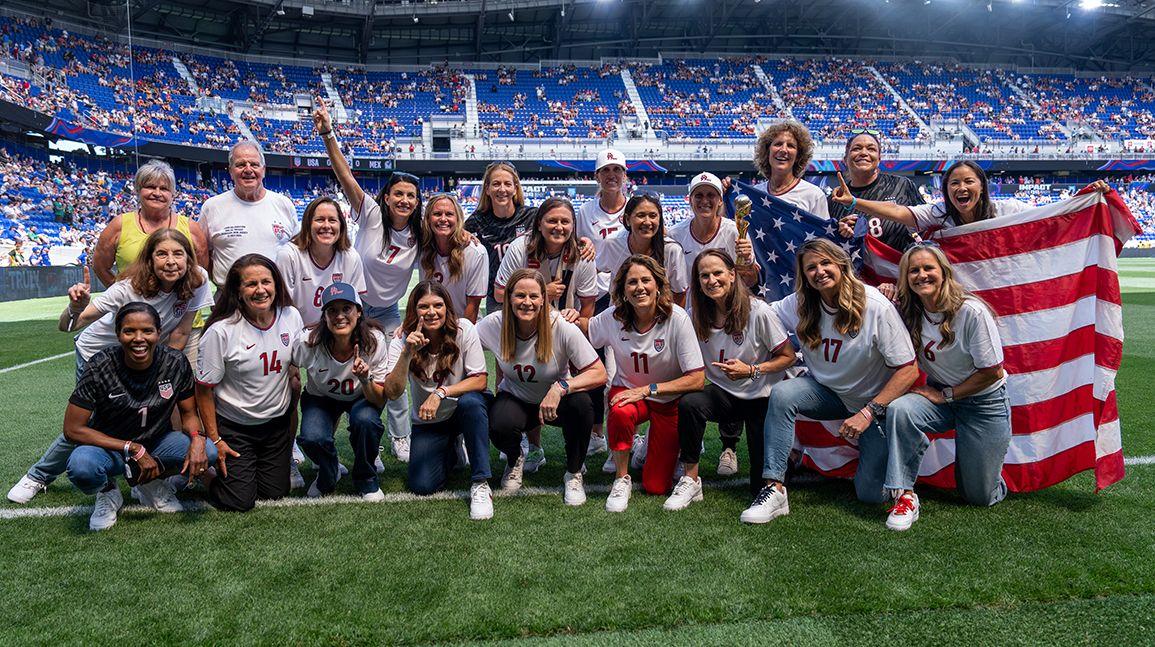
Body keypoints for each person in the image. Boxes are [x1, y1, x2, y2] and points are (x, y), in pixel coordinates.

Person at [7, 229, 211, 504]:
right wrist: (75, 308)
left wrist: (163, 369)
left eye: (178, 254)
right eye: (161, 254)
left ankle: (145, 480)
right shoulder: (129, 289)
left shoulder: (198, 280)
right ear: (150, 260)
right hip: (98, 355)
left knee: (152, 416)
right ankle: (39, 476)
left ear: (189, 258)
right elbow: (70, 325)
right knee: (91, 423)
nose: (171, 261)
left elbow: (181, 333)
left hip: (144, 357)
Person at [740, 239, 919, 525]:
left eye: (825, 263)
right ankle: (774, 487)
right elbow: (760, 313)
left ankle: (898, 470)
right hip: (827, 394)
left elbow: (908, 370)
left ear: (841, 264)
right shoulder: (801, 302)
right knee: (784, 393)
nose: (819, 271)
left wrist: (868, 412)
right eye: (811, 267)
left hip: (872, 404)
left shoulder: (874, 304)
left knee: (870, 494)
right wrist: (743, 274)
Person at [315, 103, 423, 462]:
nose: (404, 200)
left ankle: (401, 436)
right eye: (399, 193)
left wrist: (465, 237)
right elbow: (345, 176)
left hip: (390, 312)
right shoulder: (372, 214)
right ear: (387, 196)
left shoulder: (419, 233)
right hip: (356, 308)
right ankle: (368, 439)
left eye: (411, 195)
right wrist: (329, 133)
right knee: (352, 371)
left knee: (393, 373)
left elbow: (448, 235)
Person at [882, 243, 1012, 531]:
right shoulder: (909, 311)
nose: (922, 275)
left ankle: (985, 469)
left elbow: (993, 371)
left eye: (929, 268)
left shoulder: (971, 311)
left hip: (983, 402)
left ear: (944, 273)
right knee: (901, 410)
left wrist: (946, 395)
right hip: (940, 395)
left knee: (977, 496)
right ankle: (904, 495)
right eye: (913, 271)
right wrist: (885, 292)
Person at [62, 302, 218, 531]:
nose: (139, 338)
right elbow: (72, 429)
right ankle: (108, 491)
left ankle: (149, 483)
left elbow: (188, 413)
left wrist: (196, 438)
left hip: (157, 441)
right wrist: (132, 448)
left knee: (209, 451)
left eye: (147, 331)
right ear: (118, 334)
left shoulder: (174, 362)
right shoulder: (100, 366)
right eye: (129, 331)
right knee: (81, 467)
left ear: (158, 332)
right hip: (111, 447)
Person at [666, 250, 795, 510]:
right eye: (704, 276)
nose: (711, 280)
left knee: (760, 486)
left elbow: (788, 356)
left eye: (717, 273)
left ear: (732, 275)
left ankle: (788, 460)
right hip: (724, 394)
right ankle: (691, 479)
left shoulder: (758, 310)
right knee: (691, 403)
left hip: (762, 396)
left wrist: (752, 370)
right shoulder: (694, 315)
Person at [584, 255, 704, 512]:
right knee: (619, 409)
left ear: (658, 285)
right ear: (623, 290)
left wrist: (648, 390)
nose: (640, 287)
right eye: (632, 282)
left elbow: (696, 378)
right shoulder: (613, 317)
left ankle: (646, 446)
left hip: (667, 399)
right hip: (627, 392)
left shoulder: (677, 318)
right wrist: (566, 315)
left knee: (656, 486)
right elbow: (587, 330)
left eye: (646, 280)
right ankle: (621, 477)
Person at [477, 269, 607, 505]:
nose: (527, 302)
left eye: (534, 296)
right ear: (508, 298)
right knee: (498, 422)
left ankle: (574, 472)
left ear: (543, 300)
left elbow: (599, 373)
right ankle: (516, 458)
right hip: (517, 399)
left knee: (582, 405)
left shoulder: (561, 326)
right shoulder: (493, 324)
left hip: (556, 402)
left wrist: (560, 388)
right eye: (520, 296)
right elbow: (459, 337)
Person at [196, 254, 304, 512]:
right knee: (239, 501)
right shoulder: (221, 331)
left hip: (274, 426)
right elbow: (203, 390)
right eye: (251, 284)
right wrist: (216, 439)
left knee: (275, 493)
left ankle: (257, 466)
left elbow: (296, 367)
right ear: (237, 291)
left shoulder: (290, 316)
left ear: (276, 285)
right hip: (235, 427)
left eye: (266, 282)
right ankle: (203, 474)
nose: (260, 290)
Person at [668, 172, 759, 478]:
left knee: (728, 372)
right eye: (699, 196)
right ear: (689, 200)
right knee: (686, 377)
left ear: (721, 201)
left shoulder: (737, 232)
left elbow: (752, 280)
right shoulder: (676, 233)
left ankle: (729, 447)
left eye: (712, 196)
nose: (705, 201)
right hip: (691, 317)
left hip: (730, 314)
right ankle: (683, 442)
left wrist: (747, 264)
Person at [382, 281, 494, 520]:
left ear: (447, 307)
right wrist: (406, 354)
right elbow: (392, 391)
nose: (431, 312)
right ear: (413, 310)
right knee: (422, 485)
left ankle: (480, 482)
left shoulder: (464, 329)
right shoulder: (402, 340)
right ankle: (451, 449)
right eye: (423, 306)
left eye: (438, 305)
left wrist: (440, 392)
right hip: (430, 421)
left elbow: (480, 380)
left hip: (463, 410)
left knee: (472, 403)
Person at [292, 283, 390, 501]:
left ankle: (366, 478)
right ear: (324, 316)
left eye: (346, 308)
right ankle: (330, 471)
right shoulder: (309, 341)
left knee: (366, 421)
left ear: (359, 311)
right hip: (321, 397)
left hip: (361, 396)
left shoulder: (374, 341)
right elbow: (291, 363)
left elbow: (379, 397)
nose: (339, 316)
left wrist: (365, 379)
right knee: (311, 438)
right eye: (332, 310)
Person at [831, 161, 1110, 237]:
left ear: (982, 186)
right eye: (954, 183)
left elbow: (1049, 217)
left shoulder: (1008, 209)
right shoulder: (940, 213)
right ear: (946, 189)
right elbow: (901, 212)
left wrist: (1082, 199)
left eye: (968, 181)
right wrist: (854, 202)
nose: (961, 188)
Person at [574, 148, 630, 461]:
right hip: (594, 296)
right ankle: (597, 431)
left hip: (628, 296)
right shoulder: (585, 212)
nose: (611, 176)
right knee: (593, 363)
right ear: (597, 177)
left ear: (625, 175)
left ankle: (630, 431)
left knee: (627, 363)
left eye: (617, 170)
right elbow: (578, 247)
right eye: (605, 171)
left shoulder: (634, 209)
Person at [90, 160, 209, 287]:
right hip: (133, 306)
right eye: (150, 187)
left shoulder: (191, 228)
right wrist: (122, 296)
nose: (157, 193)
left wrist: (184, 301)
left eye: (164, 189)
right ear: (138, 190)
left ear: (173, 194)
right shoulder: (119, 225)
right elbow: (100, 266)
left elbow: (200, 272)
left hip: (177, 305)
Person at [198, 140, 299, 287]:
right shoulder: (212, 207)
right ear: (231, 171)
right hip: (229, 300)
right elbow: (202, 253)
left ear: (263, 170)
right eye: (240, 165)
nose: (248, 169)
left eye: (254, 164)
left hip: (275, 297)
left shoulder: (284, 204)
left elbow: (296, 252)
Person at [275, 196, 367, 328]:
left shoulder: (351, 257)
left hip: (336, 334)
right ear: (307, 224)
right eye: (319, 220)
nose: (326, 226)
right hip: (298, 334)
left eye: (332, 220)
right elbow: (282, 308)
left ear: (341, 225)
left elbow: (355, 307)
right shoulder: (288, 255)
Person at [827, 129, 925, 253]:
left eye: (871, 149)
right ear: (845, 159)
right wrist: (838, 232)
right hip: (855, 270)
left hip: (899, 267)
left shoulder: (902, 185)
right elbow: (826, 244)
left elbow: (926, 223)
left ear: (879, 159)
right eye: (856, 148)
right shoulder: (835, 199)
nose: (863, 153)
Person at [463, 161, 537, 315]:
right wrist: (461, 235)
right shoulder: (476, 222)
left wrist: (585, 242)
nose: (502, 189)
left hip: (529, 295)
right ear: (487, 189)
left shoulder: (532, 217)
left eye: (507, 184)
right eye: (496, 184)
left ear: (515, 188)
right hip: (497, 298)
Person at [597, 193, 690, 307]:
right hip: (619, 318)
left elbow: (679, 294)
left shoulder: (672, 250)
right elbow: (593, 269)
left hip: (658, 320)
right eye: (641, 215)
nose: (647, 222)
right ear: (627, 219)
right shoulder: (612, 244)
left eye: (653, 216)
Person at [419, 194, 489, 323]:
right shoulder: (422, 247)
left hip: (464, 324)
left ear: (458, 219)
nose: (443, 219)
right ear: (428, 219)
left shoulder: (475, 252)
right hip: (433, 323)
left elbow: (472, 307)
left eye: (449, 214)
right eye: (437, 214)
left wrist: (460, 336)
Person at [751, 121, 829, 218]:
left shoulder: (814, 195)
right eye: (778, 144)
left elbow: (822, 233)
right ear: (767, 151)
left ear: (798, 156)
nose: (783, 150)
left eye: (790, 146)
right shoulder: (753, 194)